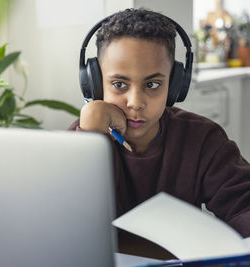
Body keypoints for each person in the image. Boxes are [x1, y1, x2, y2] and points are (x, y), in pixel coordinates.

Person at [69, 8, 250, 239]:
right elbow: (69, 223)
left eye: (152, 85)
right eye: (119, 85)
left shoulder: (203, 139)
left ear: (176, 85)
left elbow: (244, 204)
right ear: (94, 84)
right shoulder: (82, 137)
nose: (136, 103)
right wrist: (92, 133)